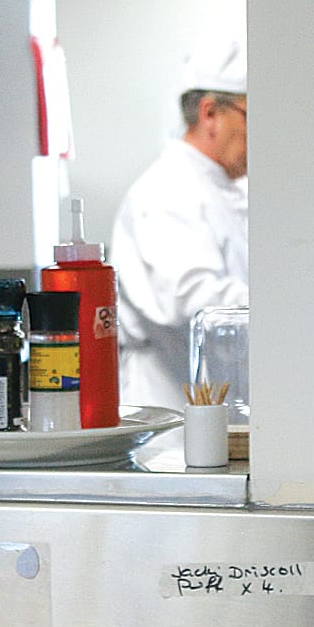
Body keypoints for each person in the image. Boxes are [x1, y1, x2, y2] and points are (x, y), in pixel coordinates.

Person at [109, 40, 249, 409]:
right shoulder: (168, 191)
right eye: (252, 116)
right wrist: (280, 308)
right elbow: (193, 300)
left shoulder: (221, 189)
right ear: (210, 114)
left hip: (208, 406)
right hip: (168, 413)